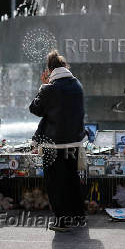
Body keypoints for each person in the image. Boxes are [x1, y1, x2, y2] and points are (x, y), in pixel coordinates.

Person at [29, 50, 86, 232]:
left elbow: (35, 109)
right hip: (74, 143)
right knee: (72, 179)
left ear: (49, 70)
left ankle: (62, 221)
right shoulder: (77, 85)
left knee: (55, 182)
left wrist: (42, 86)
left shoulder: (49, 88)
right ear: (65, 67)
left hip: (53, 144)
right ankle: (78, 217)